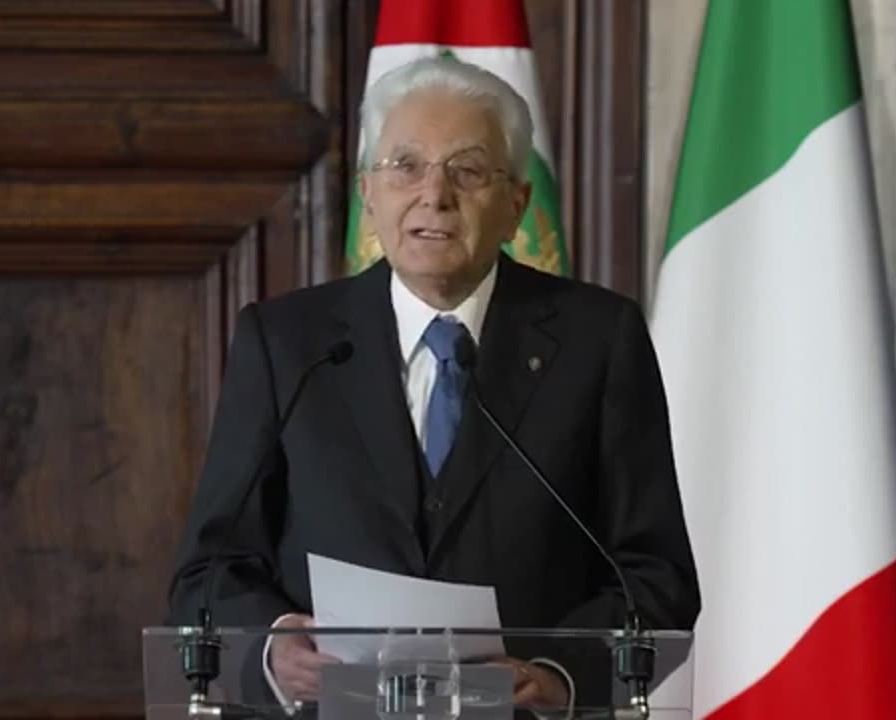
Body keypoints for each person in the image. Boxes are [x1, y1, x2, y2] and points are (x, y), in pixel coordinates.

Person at [167, 55, 700, 713]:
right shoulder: (288, 344)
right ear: (368, 193)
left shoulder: (599, 341)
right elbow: (208, 570)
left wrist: (556, 673)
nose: (434, 195)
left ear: (516, 205)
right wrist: (271, 649)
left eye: (467, 170)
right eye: (406, 166)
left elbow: (655, 574)